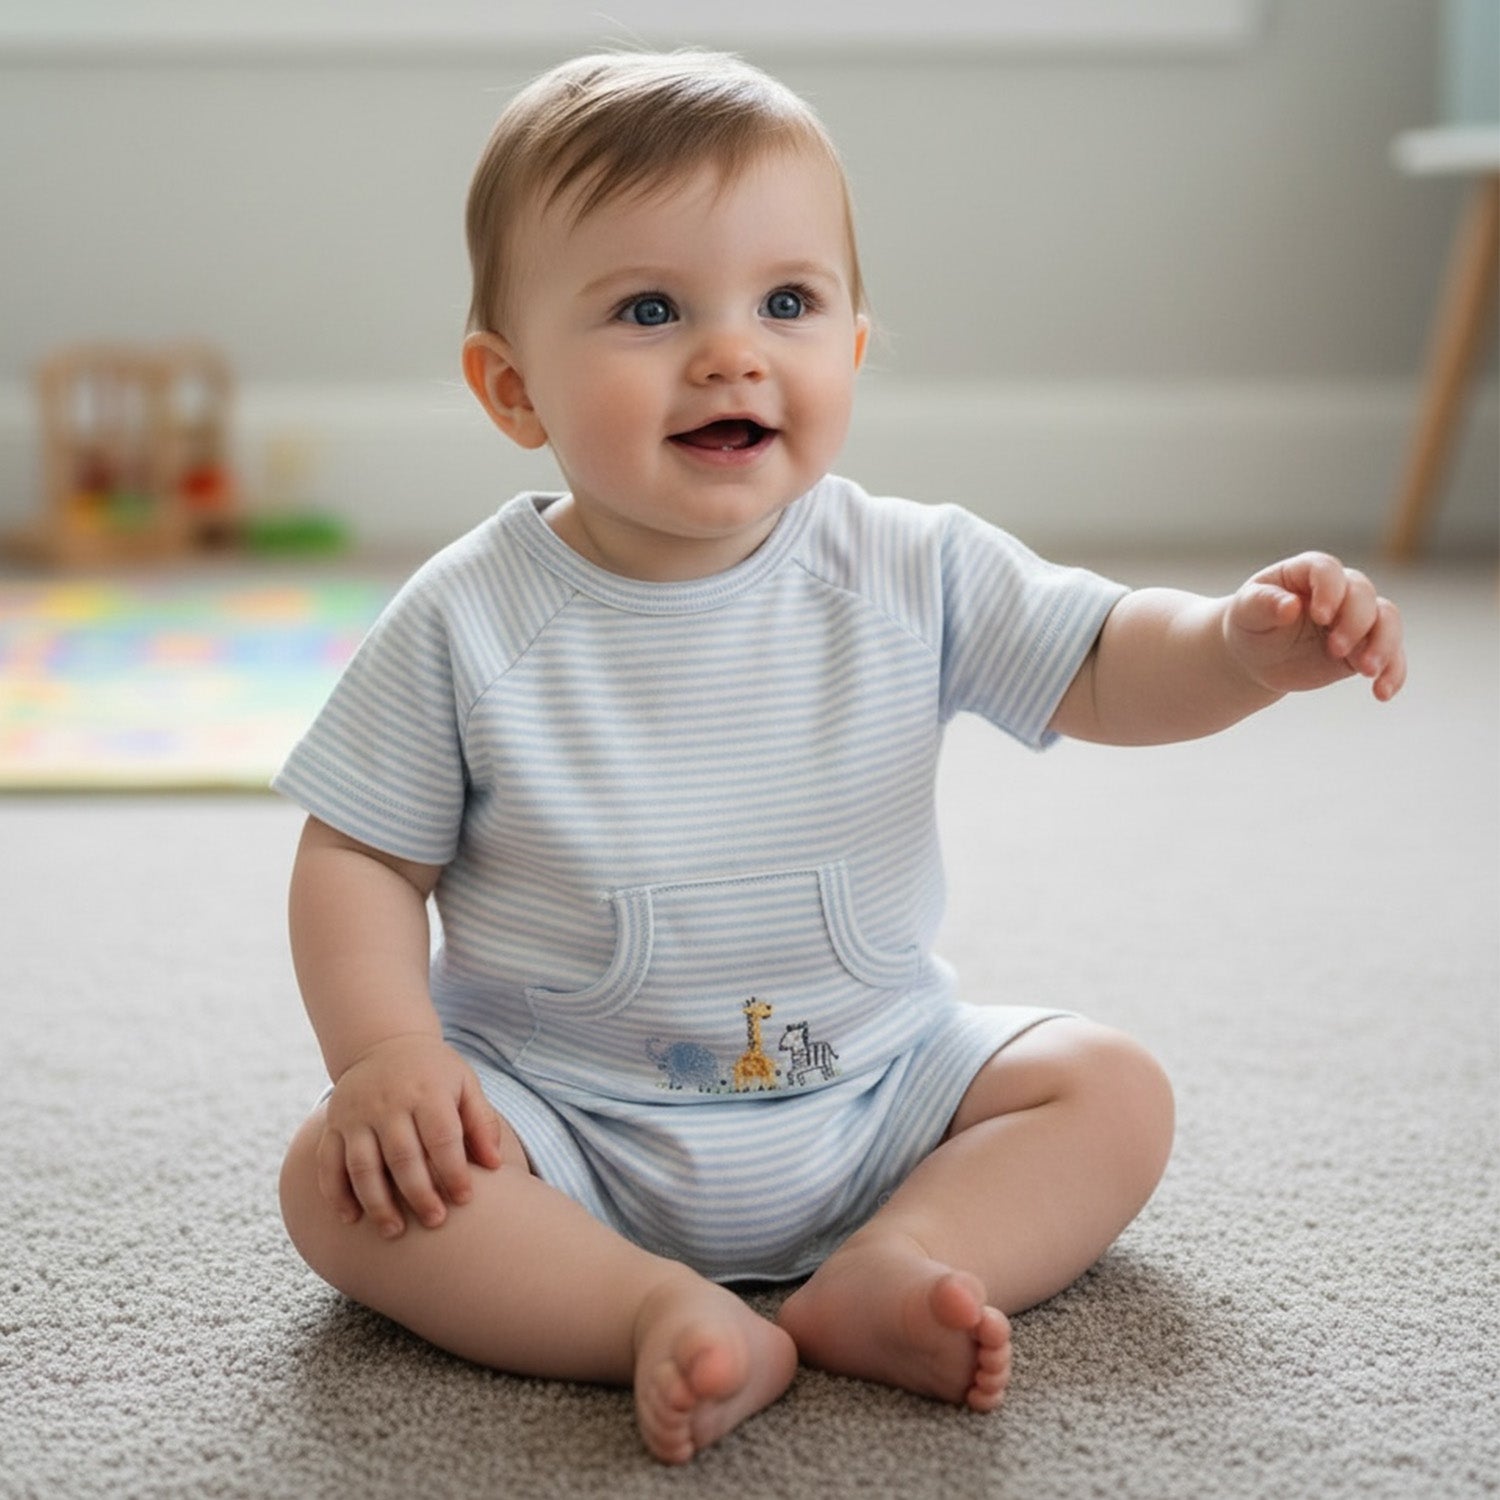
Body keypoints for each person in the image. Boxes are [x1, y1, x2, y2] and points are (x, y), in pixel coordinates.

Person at [273, 51, 1407, 1466]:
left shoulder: (906, 566)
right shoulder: (469, 615)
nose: (732, 353)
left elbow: (1104, 656)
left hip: (877, 1091)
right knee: (340, 1179)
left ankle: (899, 1262)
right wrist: (387, 1055)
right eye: (648, 310)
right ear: (513, 390)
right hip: (559, 1119)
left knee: (1109, 1088)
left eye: (788, 304)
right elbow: (361, 854)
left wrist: (1239, 649)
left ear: (853, 350)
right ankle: (641, 1309)